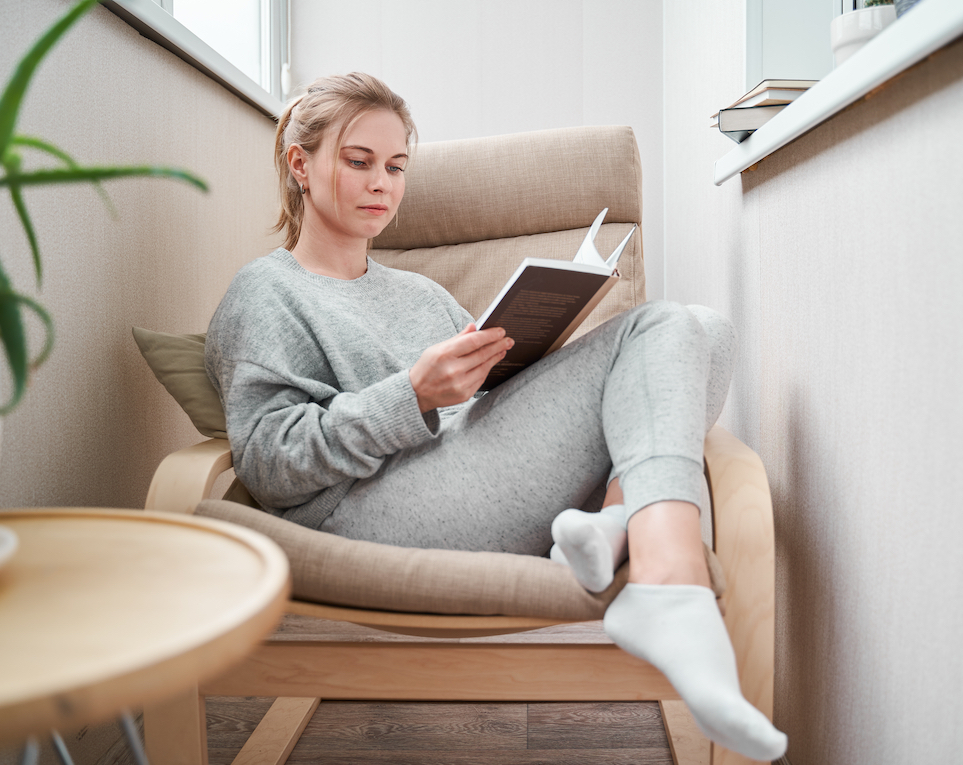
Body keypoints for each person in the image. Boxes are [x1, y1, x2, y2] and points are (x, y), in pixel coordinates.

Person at [205, 72, 787, 761]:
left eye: (395, 167)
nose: (381, 185)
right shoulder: (265, 292)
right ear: (301, 164)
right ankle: (666, 578)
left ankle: (612, 523)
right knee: (659, 325)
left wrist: (530, 362)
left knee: (706, 329)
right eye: (358, 162)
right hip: (370, 508)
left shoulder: (418, 292)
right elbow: (269, 462)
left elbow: (486, 403)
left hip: (472, 469)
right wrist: (412, 395)